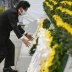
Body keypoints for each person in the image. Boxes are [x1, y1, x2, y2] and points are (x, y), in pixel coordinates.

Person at [0, 1, 33, 72]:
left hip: (3, 35)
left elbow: (17, 26)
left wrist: (26, 34)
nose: (25, 12)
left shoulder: (15, 13)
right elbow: (14, 27)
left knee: (11, 47)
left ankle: (6, 68)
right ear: (21, 8)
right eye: (26, 10)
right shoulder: (12, 13)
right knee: (3, 52)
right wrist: (22, 38)